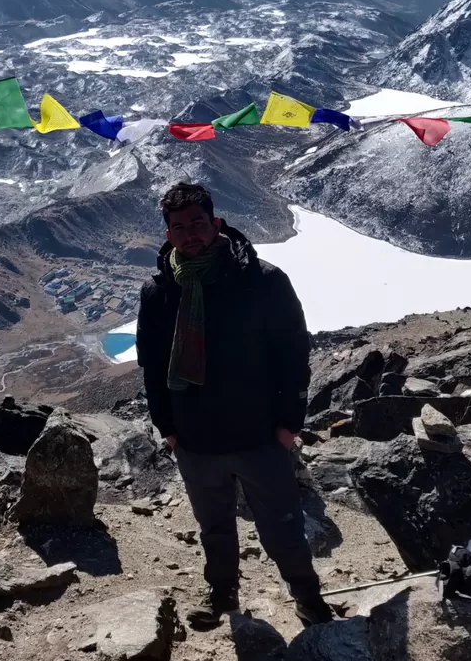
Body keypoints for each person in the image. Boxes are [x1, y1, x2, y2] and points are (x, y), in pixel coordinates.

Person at [136, 182, 333, 629]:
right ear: (168, 234)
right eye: (178, 227)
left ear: (216, 223)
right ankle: (222, 594)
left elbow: (292, 355)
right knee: (214, 526)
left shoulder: (262, 280)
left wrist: (288, 424)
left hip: (258, 432)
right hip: (194, 436)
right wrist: (167, 426)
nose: (190, 235)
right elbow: (151, 364)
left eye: (198, 224)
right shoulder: (159, 292)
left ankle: (307, 597)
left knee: (282, 524)